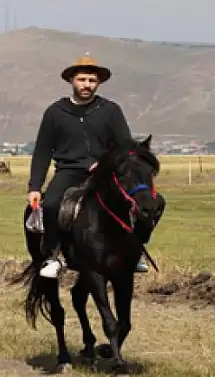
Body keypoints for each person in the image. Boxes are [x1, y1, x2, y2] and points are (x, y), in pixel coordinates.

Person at [28, 53, 147, 279]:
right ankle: (53, 255)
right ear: (72, 80)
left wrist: (105, 163)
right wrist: (35, 186)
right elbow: (43, 151)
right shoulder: (55, 112)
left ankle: (134, 253)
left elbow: (124, 146)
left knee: (136, 202)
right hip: (68, 171)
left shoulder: (110, 110)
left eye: (92, 81)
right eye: (82, 80)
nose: (87, 85)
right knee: (52, 204)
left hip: (104, 173)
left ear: (98, 84)